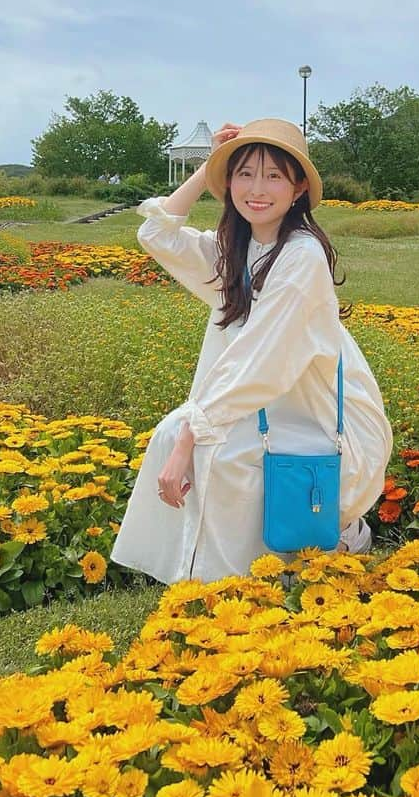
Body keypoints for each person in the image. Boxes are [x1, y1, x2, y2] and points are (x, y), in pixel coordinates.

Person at [110, 118, 393, 585]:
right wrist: (209, 168)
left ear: (298, 187)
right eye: (244, 173)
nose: (257, 189)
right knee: (171, 436)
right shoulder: (234, 249)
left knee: (216, 453)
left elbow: (261, 363)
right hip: (260, 399)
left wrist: (193, 434)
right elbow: (156, 236)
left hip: (312, 410)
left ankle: (288, 555)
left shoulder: (301, 255)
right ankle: (200, 568)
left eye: (274, 176)